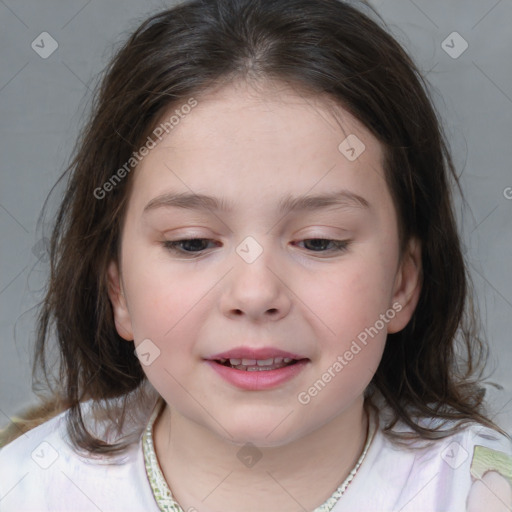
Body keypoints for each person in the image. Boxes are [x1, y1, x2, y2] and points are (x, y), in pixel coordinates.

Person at [1, 0, 511, 510]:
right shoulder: (26, 489)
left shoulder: (479, 492)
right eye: (192, 242)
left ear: (402, 283)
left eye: (319, 241)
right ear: (118, 289)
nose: (255, 293)